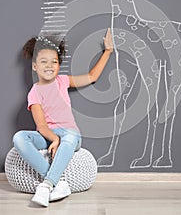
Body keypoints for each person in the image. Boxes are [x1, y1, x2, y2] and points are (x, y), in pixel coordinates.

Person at [12, 28, 113, 207]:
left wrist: (108, 51)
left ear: (59, 66)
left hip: (69, 135)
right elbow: (41, 127)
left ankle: (47, 184)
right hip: (47, 135)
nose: (49, 66)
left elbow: (92, 76)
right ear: (35, 66)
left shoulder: (63, 81)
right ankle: (59, 184)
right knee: (19, 137)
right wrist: (54, 139)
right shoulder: (35, 92)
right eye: (44, 61)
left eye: (54, 62)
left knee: (71, 135)